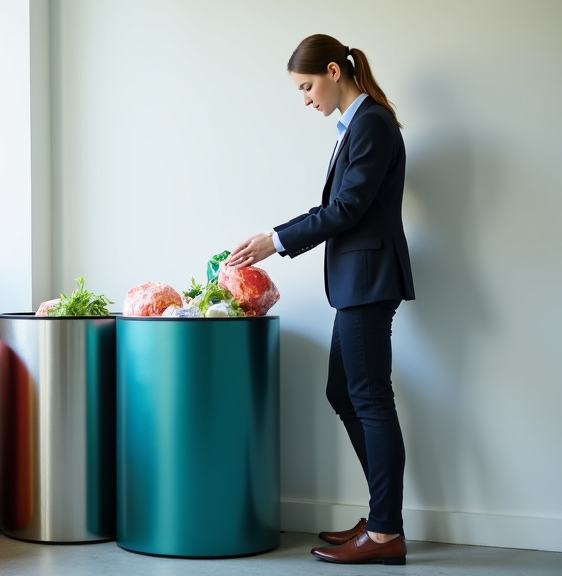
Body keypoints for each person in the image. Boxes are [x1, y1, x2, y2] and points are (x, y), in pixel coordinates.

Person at [227, 34, 415, 565]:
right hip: (358, 281)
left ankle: (384, 533)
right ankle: (382, 516)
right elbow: (340, 205)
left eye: (307, 87)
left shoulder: (371, 122)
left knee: (370, 398)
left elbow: (347, 209)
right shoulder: (357, 124)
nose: (305, 99)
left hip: (368, 280)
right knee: (344, 391)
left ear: (334, 71)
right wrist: (275, 236)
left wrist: (275, 240)